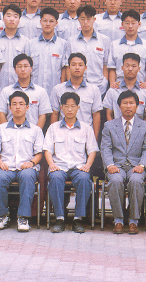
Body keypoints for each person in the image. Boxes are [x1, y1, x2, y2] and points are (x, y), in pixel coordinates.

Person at [44, 92, 99, 234]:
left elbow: (92, 150)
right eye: (66, 106)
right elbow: (47, 150)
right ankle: (59, 218)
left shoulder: (86, 128)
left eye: (73, 106)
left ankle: (78, 218)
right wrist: (51, 164)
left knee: (84, 179)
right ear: (61, 107)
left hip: (78, 167)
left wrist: (88, 165)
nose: (69, 109)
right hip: (59, 166)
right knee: (55, 178)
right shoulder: (53, 127)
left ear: (78, 107)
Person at [100, 90, 146, 234]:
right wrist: (110, 165)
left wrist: (142, 165)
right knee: (115, 180)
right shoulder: (109, 125)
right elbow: (105, 148)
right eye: (125, 103)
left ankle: (133, 221)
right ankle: (118, 220)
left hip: (136, 166)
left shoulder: (145, 126)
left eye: (131, 103)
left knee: (136, 181)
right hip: (116, 165)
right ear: (119, 106)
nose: (128, 106)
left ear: (137, 106)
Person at [0, 91, 44, 232]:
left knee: (27, 176)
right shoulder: (1, 129)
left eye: (21, 104)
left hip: (26, 167)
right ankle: (2, 215)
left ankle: (23, 217)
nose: (17, 107)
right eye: (14, 104)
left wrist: (32, 163)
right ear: (9, 107)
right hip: (6, 167)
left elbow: (39, 152)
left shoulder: (35, 130)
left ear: (27, 107)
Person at [50, 53, 103, 138]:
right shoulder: (58, 89)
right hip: (63, 135)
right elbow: (55, 114)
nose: (77, 67)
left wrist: (94, 139)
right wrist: (54, 137)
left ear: (85, 68)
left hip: (85, 136)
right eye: (73, 65)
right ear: (68, 67)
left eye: (80, 65)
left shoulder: (94, 90)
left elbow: (96, 115)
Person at [0, 54, 52, 128]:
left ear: (31, 68)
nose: (22, 69)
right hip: (10, 132)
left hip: (32, 132)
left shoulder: (40, 92)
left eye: (25, 66)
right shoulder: (6, 91)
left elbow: (43, 116)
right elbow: (1, 114)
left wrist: (35, 132)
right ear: (15, 69)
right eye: (19, 66)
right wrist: (7, 131)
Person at [24, 7, 69, 93]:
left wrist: (61, 89)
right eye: (45, 21)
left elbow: (64, 69)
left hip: (54, 91)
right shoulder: (30, 44)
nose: (47, 24)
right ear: (40, 21)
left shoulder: (63, 44)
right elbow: (26, 68)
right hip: (34, 91)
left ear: (56, 23)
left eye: (51, 21)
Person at [68, 5, 111, 96]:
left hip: (99, 86)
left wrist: (105, 81)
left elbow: (106, 64)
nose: (85, 22)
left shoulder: (104, 40)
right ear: (78, 20)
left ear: (94, 19)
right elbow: (67, 65)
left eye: (88, 19)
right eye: (82, 19)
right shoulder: (71, 41)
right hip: (76, 87)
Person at [107, 9, 146, 89]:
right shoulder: (114, 45)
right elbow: (112, 67)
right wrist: (112, 82)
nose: (130, 26)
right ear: (122, 24)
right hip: (119, 87)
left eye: (133, 23)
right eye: (127, 23)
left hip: (140, 87)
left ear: (139, 24)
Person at [102, 53, 146, 121]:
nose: (130, 69)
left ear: (139, 69)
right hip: (116, 127)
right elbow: (109, 114)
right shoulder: (113, 91)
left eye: (134, 66)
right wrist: (113, 127)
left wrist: (141, 128)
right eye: (127, 66)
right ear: (122, 68)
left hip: (139, 127)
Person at [0, 3, 28, 88]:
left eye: (15, 16)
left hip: (19, 86)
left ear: (19, 20)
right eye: (8, 16)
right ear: (3, 18)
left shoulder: (25, 41)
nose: (11, 19)